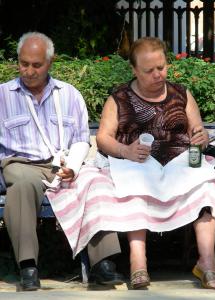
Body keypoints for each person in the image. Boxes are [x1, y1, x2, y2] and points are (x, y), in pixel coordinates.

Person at [96, 37, 215, 289]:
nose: (158, 74)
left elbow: (197, 132)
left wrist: (201, 138)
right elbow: (103, 138)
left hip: (179, 163)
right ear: (134, 70)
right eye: (149, 70)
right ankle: (138, 264)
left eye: (162, 67)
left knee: (206, 187)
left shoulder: (182, 94)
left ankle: (207, 263)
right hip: (138, 162)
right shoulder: (120, 98)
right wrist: (125, 150)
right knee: (135, 185)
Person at [0, 32, 123, 291]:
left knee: (96, 181)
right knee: (22, 182)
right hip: (22, 164)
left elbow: (81, 139)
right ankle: (28, 265)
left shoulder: (70, 95)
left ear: (50, 62)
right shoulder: (3, 95)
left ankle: (103, 261)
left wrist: (74, 167)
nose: (29, 71)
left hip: (65, 164)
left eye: (36, 65)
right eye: (24, 64)